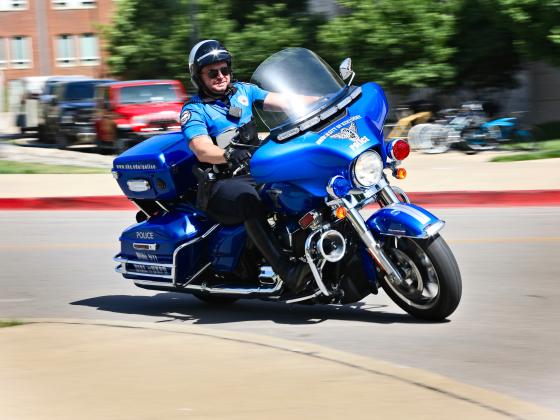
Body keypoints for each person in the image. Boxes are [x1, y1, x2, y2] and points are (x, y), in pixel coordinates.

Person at [180, 39, 312, 294]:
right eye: (212, 72)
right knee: (249, 200)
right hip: (222, 183)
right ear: (199, 76)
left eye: (224, 70)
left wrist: (332, 100)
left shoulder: (245, 92)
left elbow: (287, 100)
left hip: (257, 172)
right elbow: (201, 148)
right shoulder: (194, 110)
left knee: (300, 186)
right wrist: (228, 155)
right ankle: (288, 271)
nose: (220, 76)